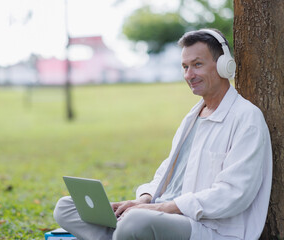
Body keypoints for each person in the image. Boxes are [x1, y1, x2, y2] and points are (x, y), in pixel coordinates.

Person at [53, 28, 272, 240]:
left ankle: (124, 233)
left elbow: (234, 193)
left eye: (197, 65)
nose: (189, 74)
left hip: (207, 227)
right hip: (163, 212)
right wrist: (145, 199)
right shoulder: (193, 117)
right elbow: (168, 173)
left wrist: (160, 208)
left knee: (135, 222)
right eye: (185, 66)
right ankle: (121, 235)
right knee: (66, 207)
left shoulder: (246, 118)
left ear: (224, 65)